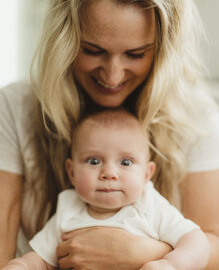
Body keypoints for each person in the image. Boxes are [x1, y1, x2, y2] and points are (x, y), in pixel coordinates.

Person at [0, 0, 219, 269]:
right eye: (92, 50)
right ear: (66, 40)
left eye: (135, 54)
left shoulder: (194, 113)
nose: (113, 74)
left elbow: (209, 241)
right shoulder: (16, 106)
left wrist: (140, 253)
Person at [3, 109, 210, 270]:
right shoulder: (69, 206)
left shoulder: (149, 204)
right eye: (94, 161)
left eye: (126, 162)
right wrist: (21, 265)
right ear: (72, 172)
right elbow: (41, 259)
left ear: (147, 174)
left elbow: (196, 240)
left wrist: (172, 264)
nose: (109, 173)